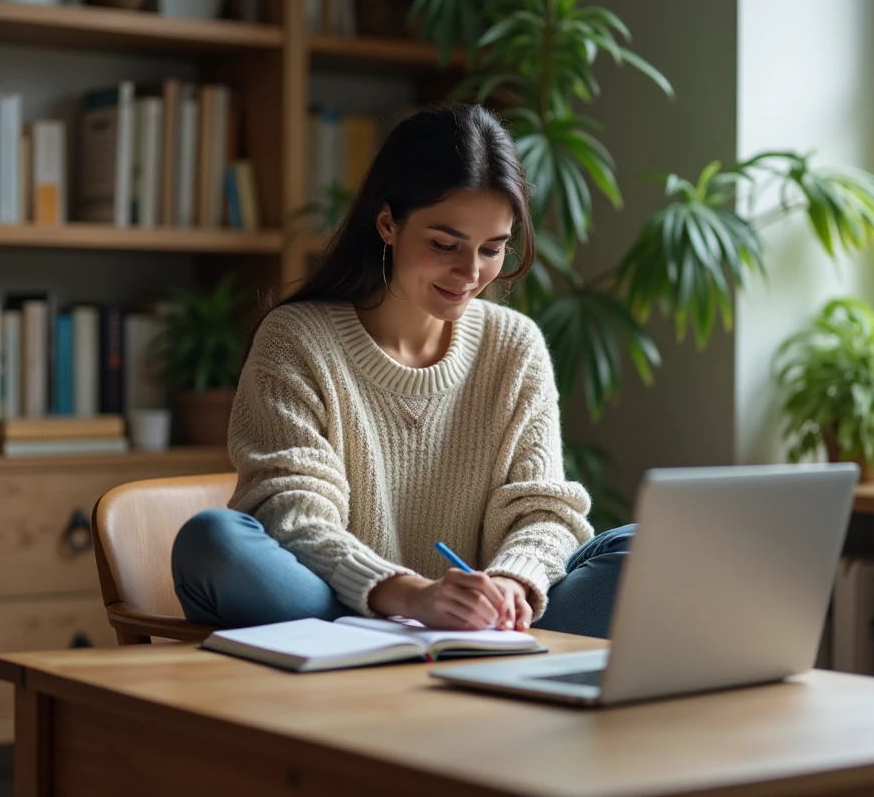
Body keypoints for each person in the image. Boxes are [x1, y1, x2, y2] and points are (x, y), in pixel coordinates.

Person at [171, 102, 634, 639]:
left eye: (492, 249)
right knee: (213, 542)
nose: (470, 273)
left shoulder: (515, 345)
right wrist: (415, 597)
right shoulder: (297, 340)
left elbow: (541, 508)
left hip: (487, 627)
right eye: (445, 244)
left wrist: (511, 583)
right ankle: (390, 649)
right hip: (343, 610)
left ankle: (472, 645)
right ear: (388, 222)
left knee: (648, 550)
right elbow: (293, 514)